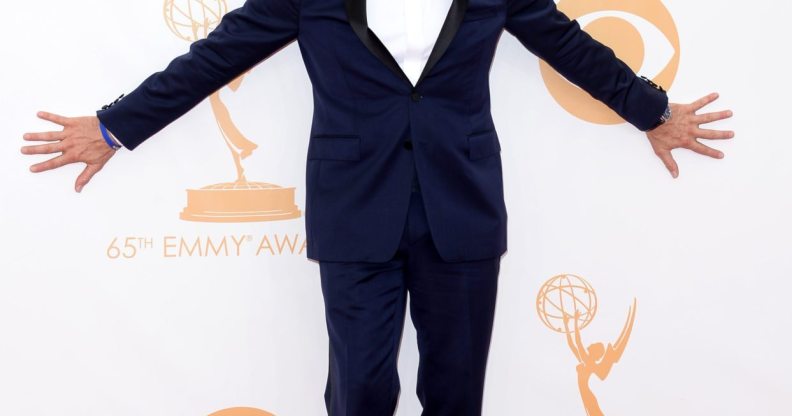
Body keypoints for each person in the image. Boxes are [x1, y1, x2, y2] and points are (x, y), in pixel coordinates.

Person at [20, 0, 734, 415]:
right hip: (355, 208)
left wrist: (652, 112)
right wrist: (115, 128)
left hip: (463, 208)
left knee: (456, 393)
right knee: (360, 388)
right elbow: (218, 55)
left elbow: (567, 45)